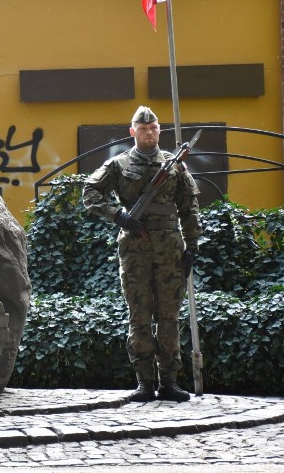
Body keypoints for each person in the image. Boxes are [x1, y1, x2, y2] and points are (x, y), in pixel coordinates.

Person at [82, 106, 200, 403]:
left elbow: (190, 208)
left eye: (154, 129)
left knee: (169, 317)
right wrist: (117, 216)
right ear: (132, 132)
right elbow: (90, 192)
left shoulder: (176, 167)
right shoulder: (119, 165)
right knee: (139, 317)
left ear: (159, 131)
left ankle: (169, 382)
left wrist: (193, 246)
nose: (149, 133)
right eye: (143, 129)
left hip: (170, 249)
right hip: (135, 249)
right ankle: (145, 383)